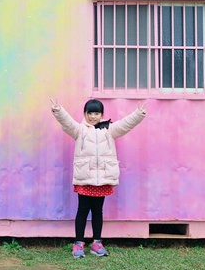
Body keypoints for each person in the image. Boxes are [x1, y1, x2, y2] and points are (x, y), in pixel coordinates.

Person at [50, 98, 146, 258]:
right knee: (82, 210)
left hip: (102, 179)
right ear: (85, 114)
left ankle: (97, 243)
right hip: (85, 178)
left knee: (97, 211)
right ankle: (78, 244)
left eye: (97, 113)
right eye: (90, 113)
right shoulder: (79, 130)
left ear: (101, 114)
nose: (93, 116)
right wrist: (58, 110)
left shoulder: (109, 129)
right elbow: (67, 122)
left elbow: (125, 124)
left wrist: (138, 114)